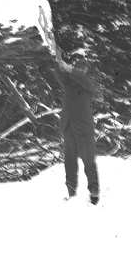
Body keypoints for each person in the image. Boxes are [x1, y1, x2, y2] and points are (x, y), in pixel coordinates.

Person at [52, 46, 101, 204]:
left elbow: (82, 79)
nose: (79, 70)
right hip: (68, 127)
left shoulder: (88, 85)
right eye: (78, 67)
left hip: (84, 130)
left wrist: (70, 68)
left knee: (88, 161)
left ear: (85, 70)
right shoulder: (69, 84)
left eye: (81, 68)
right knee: (69, 162)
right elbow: (59, 71)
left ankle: (94, 193)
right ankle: (71, 192)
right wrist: (56, 56)